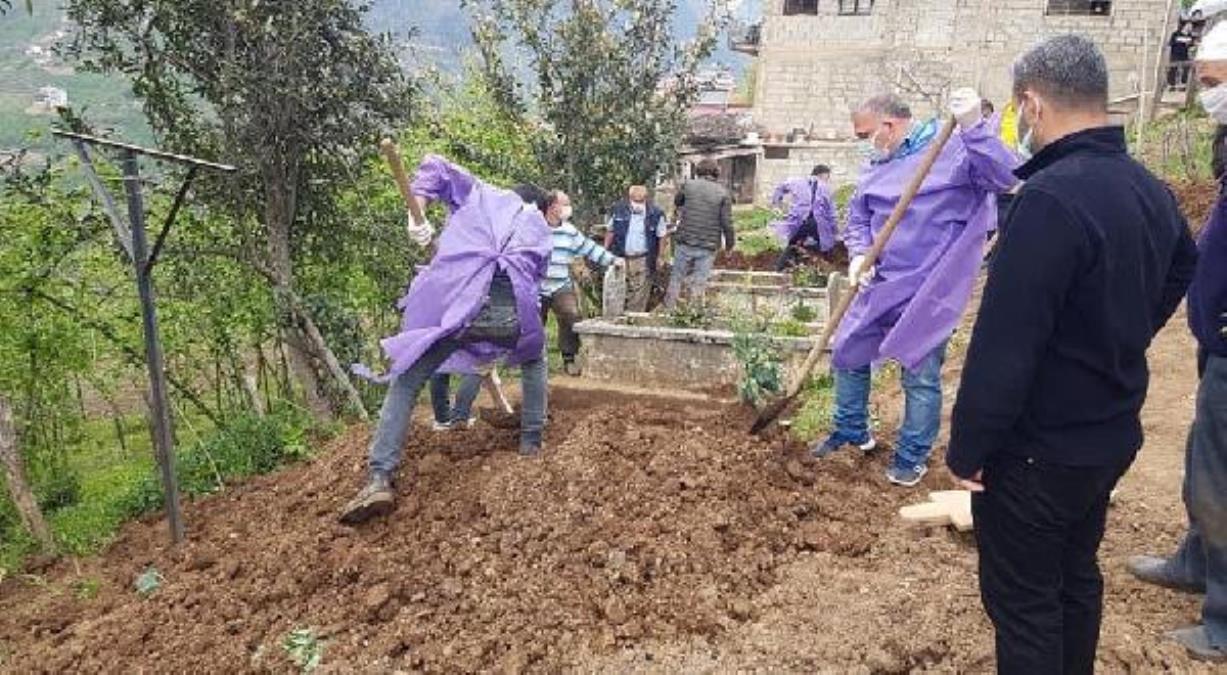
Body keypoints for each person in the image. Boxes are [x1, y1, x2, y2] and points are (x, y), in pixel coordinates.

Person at [946, 35, 1198, 673]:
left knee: (1026, 605)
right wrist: (1126, 328)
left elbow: (1007, 344)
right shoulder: (1148, 189)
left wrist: (970, 447)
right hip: (1107, 435)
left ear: (1031, 104)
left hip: (1038, 451)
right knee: (1074, 578)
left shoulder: (1049, 200)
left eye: (1016, 110)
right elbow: (1184, 266)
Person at [810, 88, 1017, 487]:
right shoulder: (876, 165)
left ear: (889, 125)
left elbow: (1007, 177)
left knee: (918, 371)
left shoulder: (954, 150)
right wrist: (858, 254)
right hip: (881, 281)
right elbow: (858, 218)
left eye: (864, 134)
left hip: (930, 286)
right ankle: (852, 430)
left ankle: (911, 455)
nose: (862, 143)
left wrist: (974, 129)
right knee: (849, 350)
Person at [342, 155, 553, 525]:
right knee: (535, 361)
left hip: (462, 312)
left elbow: (436, 167)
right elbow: (533, 281)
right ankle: (531, 444)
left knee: (406, 380)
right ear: (533, 204)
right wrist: (494, 345)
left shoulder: (485, 197)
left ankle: (379, 476)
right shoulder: (538, 226)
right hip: (511, 320)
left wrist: (417, 212)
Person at [1126, 22, 1227, 663]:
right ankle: (1197, 559)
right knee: (1204, 459)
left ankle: (1223, 619)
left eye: (1215, 83)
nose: (1207, 94)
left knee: (1223, 475)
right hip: (1215, 338)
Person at [542, 191, 622, 376]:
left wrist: (613, 260)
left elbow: (589, 248)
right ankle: (534, 361)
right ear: (553, 206)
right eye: (565, 204)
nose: (568, 208)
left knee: (571, 315)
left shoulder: (570, 231)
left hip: (560, 284)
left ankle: (569, 358)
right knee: (535, 323)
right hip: (536, 286)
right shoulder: (536, 228)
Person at [664, 158, 734, 309]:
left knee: (676, 278)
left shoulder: (688, 185)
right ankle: (694, 315)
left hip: (685, 241)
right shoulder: (723, 193)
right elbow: (727, 224)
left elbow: (678, 202)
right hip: (708, 245)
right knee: (699, 282)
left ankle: (668, 312)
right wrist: (729, 247)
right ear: (716, 173)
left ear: (698, 171)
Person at [605, 186, 668, 313]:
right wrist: (604, 251)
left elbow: (662, 236)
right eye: (635, 201)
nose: (637, 204)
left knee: (639, 293)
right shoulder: (619, 210)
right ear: (630, 199)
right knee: (619, 288)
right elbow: (610, 231)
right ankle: (617, 318)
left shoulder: (655, 214)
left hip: (643, 258)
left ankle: (632, 318)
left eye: (640, 201)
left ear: (646, 199)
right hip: (621, 257)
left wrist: (660, 257)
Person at [770, 164, 837, 271]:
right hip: (817, 223)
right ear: (823, 175)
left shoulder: (795, 181)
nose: (827, 180)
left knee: (793, 244)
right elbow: (832, 213)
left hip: (799, 221)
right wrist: (834, 231)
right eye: (827, 177)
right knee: (825, 248)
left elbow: (780, 188)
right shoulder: (826, 188)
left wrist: (777, 204)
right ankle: (823, 270)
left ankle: (780, 269)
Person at [1170, 22, 1197, 89]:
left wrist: (1191, 44)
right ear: (1184, 26)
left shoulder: (1190, 36)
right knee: (1173, 69)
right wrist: (1181, 41)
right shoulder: (1176, 34)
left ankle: (1183, 84)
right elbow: (1171, 43)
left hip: (1184, 55)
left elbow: (1192, 45)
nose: (1189, 28)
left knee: (1185, 69)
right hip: (1175, 54)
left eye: (1191, 27)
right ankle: (1172, 85)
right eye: (1188, 26)